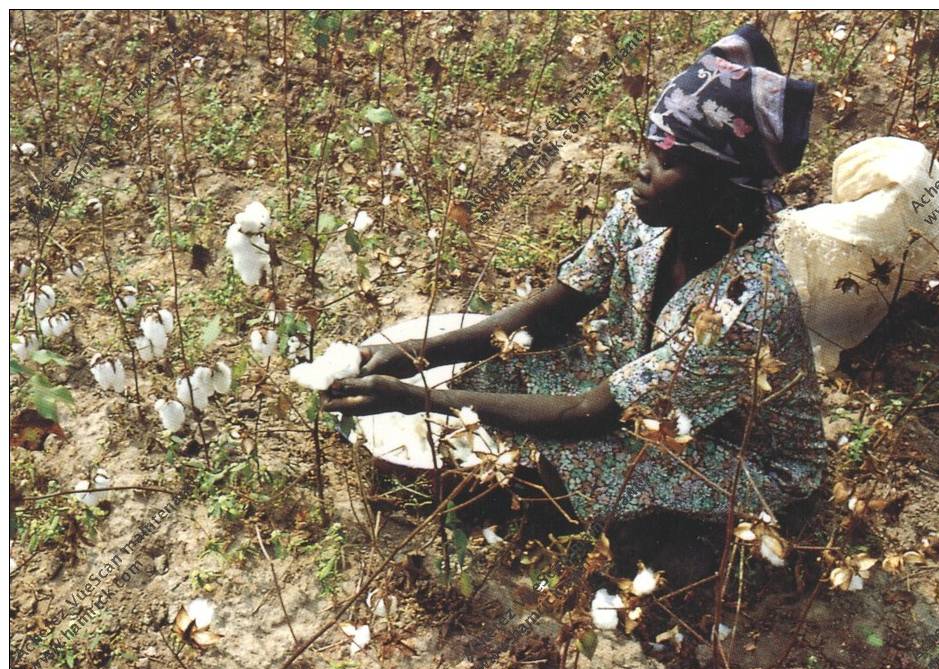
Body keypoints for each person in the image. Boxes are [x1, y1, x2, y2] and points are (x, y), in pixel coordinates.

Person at [324, 25, 827, 524]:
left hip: (731, 450)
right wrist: (415, 356)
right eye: (651, 145)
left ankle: (514, 503)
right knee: (500, 368)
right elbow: (556, 309)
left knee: (579, 463)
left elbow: (590, 413)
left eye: (669, 158)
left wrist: (419, 399)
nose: (644, 168)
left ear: (727, 187)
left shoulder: (743, 302)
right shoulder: (639, 216)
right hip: (634, 384)